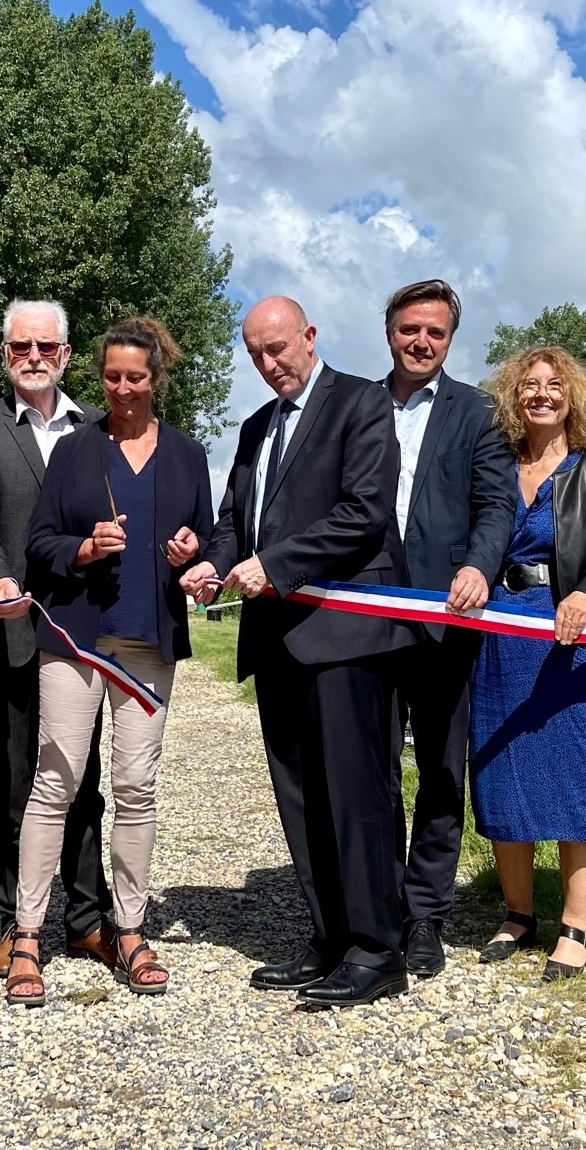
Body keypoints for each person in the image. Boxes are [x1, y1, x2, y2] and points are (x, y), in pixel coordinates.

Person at [181, 296, 409, 1008]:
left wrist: (275, 563)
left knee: (355, 798)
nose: (269, 363)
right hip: (276, 641)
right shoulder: (254, 429)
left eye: (278, 348)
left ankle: (377, 950)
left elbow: (363, 512)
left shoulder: (362, 405)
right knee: (302, 801)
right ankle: (330, 939)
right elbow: (232, 523)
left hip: (345, 639)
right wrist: (210, 562)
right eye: (256, 353)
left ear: (310, 337)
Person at [4, 318, 215, 1005]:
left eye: (136, 377)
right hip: (75, 636)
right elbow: (40, 543)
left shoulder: (186, 454)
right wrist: (82, 550)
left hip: (148, 641)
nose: (122, 389)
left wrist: (195, 554)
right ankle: (29, 933)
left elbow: (208, 535)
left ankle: (129, 928)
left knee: (135, 786)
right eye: (111, 377)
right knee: (56, 780)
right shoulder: (72, 451)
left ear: (157, 379)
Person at [0, 299, 114, 980]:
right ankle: (19, 920)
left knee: (84, 777)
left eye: (47, 347)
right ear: (5, 353)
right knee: (17, 779)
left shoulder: (102, 430)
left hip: (85, 632)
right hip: (12, 627)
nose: (35, 358)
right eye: (22, 348)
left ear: (67, 354)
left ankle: (86, 916)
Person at [469, 346, 586, 983]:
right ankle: (518, 914)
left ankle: (576, 923)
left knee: (579, 775)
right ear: (514, 396)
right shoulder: (494, 465)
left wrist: (584, 592)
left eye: (555, 385)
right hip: (502, 637)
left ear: (574, 398)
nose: (542, 394)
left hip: (575, 634)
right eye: (530, 385)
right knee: (502, 769)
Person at [378, 280, 516, 978]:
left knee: (438, 769)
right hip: (364, 621)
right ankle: (376, 909)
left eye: (435, 331)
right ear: (390, 332)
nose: (421, 342)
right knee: (371, 771)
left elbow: (497, 504)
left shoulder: (478, 414)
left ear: (450, 338)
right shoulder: (357, 406)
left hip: (446, 618)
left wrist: (481, 567)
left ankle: (425, 915)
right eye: (410, 329)